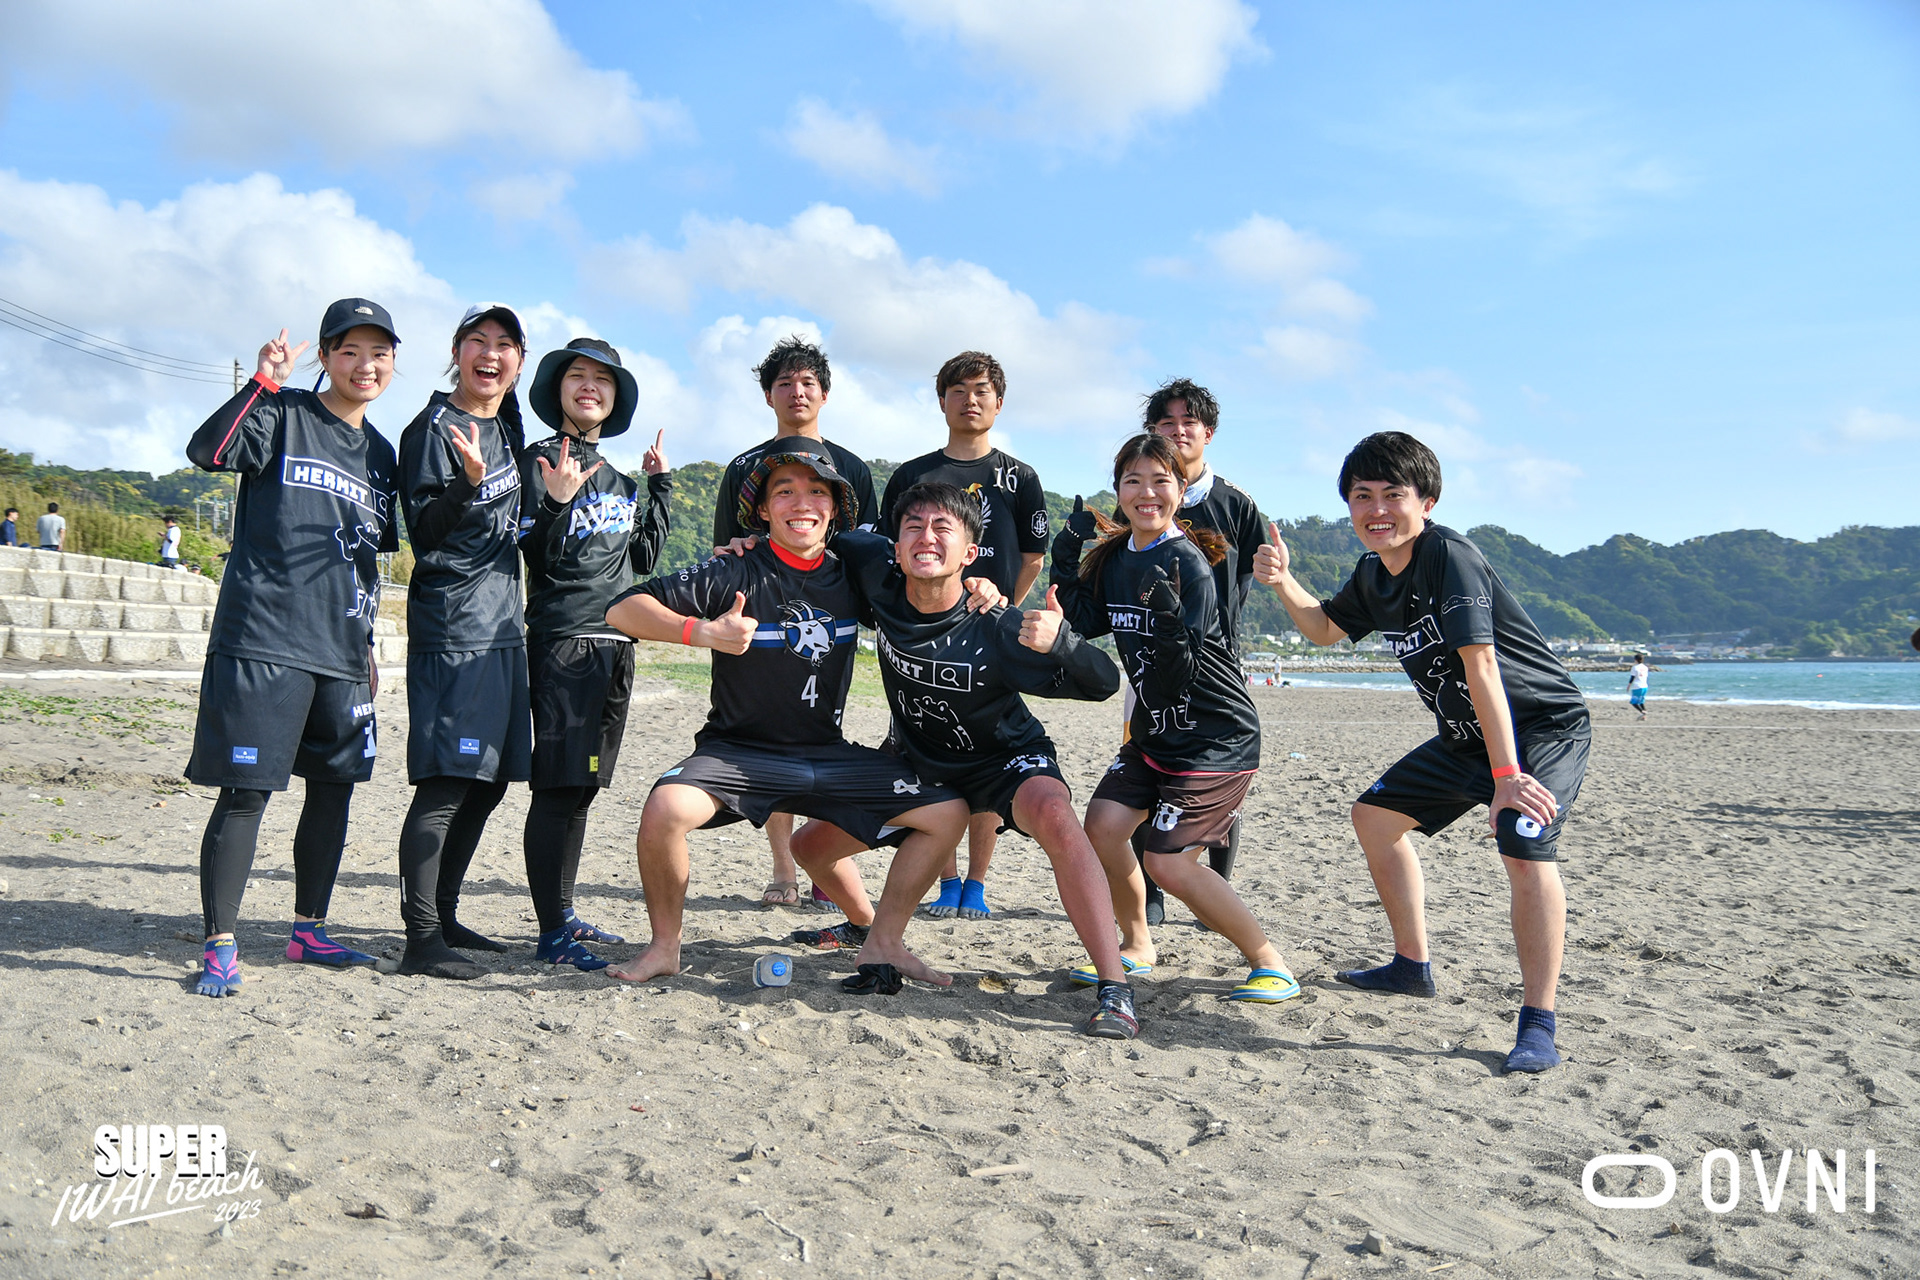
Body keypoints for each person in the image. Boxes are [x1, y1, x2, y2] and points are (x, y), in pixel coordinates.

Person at [1253, 430, 1591, 1074]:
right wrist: (1283, 581)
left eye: (1393, 495)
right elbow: (1324, 630)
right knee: (1374, 817)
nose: (1377, 509)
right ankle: (1411, 966)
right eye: (1362, 496)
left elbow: (1482, 666)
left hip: (1539, 729)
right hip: (1467, 736)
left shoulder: (1447, 556)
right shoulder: (1373, 574)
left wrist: (1508, 777)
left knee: (1522, 839)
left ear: (1427, 502)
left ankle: (1538, 1022)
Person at [770, 481, 1136, 1036]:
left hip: (1004, 760)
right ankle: (868, 928)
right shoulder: (876, 574)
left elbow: (1105, 682)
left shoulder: (996, 623)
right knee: (808, 846)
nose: (926, 537)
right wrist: (748, 546)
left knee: (1056, 816)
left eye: (943, 528)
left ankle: (1115, 987)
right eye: (913, 527)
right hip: (921, 765)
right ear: (894, 546)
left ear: (969, 553)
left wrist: (1063, 642)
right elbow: (813, 532)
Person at [603, 443, 967, 990]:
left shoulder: (855, 576)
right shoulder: (734, 568)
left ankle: (881, 938)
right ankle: (664, 947)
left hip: (826, 753)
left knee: (947, 811)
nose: (802, 503)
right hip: (738, 754)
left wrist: (978, 585)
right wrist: (702, 632)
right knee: (664, 809)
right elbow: (622, 609)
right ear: (762, 510)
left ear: (835, 510)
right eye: (785, 492)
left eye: (817, 491)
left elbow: (931, 588)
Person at [181, 299, 402, 997]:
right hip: (264, 639)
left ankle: (309, 930)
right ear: (326, 356)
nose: (364, 366)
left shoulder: (382, 455)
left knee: (334, 791)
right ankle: (220, 943)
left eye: (379, 353)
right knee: (246, 792)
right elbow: (209, 452)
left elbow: (368, 557)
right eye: (349, 351)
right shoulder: (283, 413)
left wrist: (369, 645)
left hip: (343, 652)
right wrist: (262, 383)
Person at [1051, 433, 1302, 1007]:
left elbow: (1177, 674)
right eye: (1133, 481)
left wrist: (1166, 623)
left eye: (1160, 481)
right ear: (1118, 491)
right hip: (1156, 734)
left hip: (1214, 737)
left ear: (1181, 490)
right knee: (1104, 827)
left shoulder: (1186, 561)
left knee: (1167, 863)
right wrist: (1065, 555)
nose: (1147, 493)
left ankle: (1270, 963)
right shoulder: (1118, 557)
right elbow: (1084, 620)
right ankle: (1138, 945)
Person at [878, 352, 1051, 922]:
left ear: (998, 403)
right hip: (921, 637)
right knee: (926, 760)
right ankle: (946, 880)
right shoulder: (913, 475)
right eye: (958, 390)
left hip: (988, 640)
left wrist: (1002, 607)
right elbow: (888, 550)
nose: (970, 400)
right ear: (942, 401)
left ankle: (975, 882)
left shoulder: (1020, 477)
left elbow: (1032, 554)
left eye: (981, 391)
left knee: (989, 760)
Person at [516, 338, 671, 970]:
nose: (589, 386)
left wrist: (659, 488)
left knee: (583, 788)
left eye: (602, 380)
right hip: (564, 642)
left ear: (615, 398)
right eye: (576, 375)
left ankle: (565, 910)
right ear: (558, 389)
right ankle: (551, 931)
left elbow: (642, 559)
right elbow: (535, 553)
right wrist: (555, 499)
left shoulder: (620, 481)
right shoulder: (533, 462)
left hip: (616, 644)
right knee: (557, 788)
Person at [711, 336, 878, 908]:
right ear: (768, 396)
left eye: (808, 382)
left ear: (825, 394)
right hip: (762, 622)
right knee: (769, 738)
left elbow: (865, 550)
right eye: (784, 382)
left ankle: (820, 866)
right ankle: (784, 866)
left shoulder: (851, 468)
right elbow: (726, 548)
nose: (797, 392)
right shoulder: (744, 467)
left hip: (829, 623)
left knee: (820, 737)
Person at [393, 303, 533, 980]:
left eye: (505, 344)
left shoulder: (507, 425)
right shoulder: (430, 429)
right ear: (456, 352)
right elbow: (423, 533)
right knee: (449, 782)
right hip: (454, 626)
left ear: (519, 362)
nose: (490, 353)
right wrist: (467, 485)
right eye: (478, 340)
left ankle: (445, 915)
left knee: (489, 783)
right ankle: (420, 938)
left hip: (503, 626)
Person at [1134, 378, 1268, 924]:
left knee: (1219, 773)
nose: (1178, 431)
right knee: (1149, 766)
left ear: (1207, 432)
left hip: (1217, 661)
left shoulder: (1236, 503)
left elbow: (1251, 572)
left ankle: (1215, 886)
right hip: (1152, 658)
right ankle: (1152, 890)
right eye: (1166, 423)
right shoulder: (1143, 495)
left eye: (1188, 422)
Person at [1628, 654, 1650, 721]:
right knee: (1641, 701)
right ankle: (1644, 717)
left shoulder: (1635, 667)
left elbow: (1632, 677)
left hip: (1637, 686)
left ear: (1636, 660)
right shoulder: (1645, 667)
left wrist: (1629, 685)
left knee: (1633, 702)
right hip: (1645, 686)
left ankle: (1642, 712)